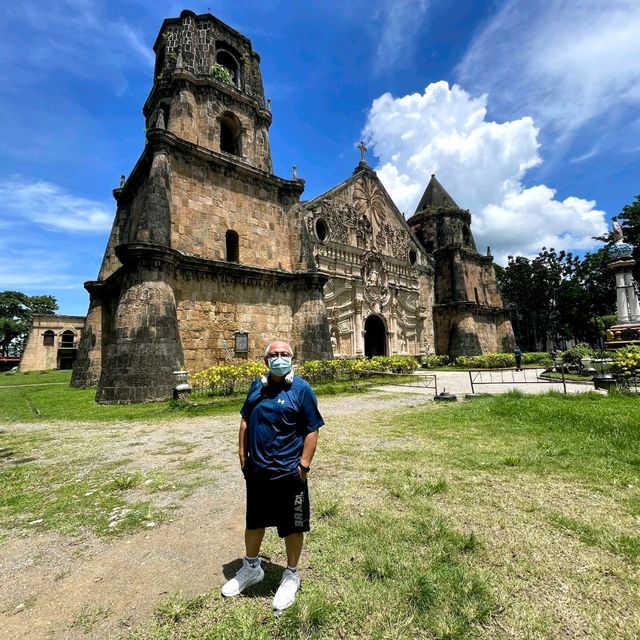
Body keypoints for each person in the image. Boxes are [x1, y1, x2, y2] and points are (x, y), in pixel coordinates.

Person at [221, 340, 324, 613]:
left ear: (293, 358)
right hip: (257, 472)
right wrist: (243, 456)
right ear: (266, 360)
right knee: (254, 522)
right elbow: (245, 419)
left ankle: (291, 574)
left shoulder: (301, 389)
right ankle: (252, 567)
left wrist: (303, 466)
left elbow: (313, 429)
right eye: (274, 355)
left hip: (290, 473)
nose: (280, 358)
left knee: (293, 525)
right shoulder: (258, 386)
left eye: (284, 354)